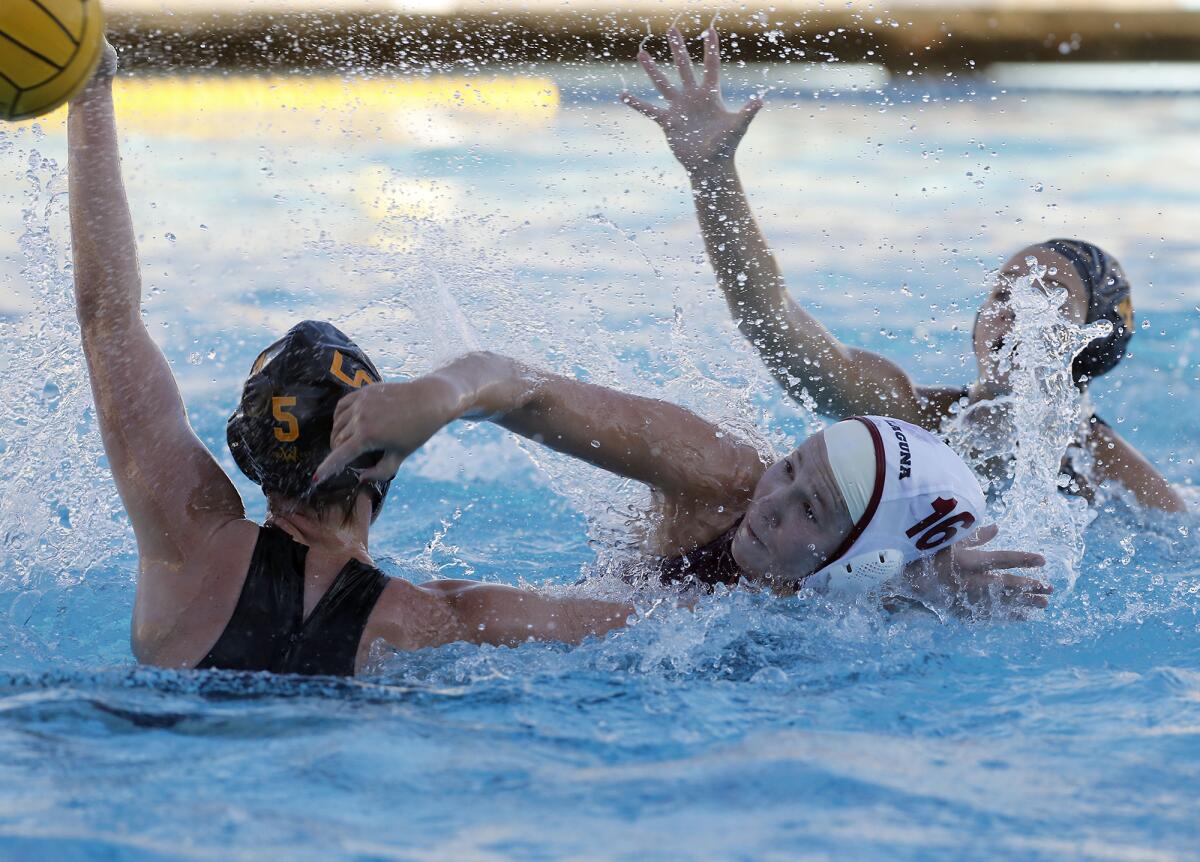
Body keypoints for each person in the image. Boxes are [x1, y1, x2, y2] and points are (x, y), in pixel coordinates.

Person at [67, 43, 1047, 678]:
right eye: (791, 469)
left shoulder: (182, 542)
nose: (771, 495)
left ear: (242, 451)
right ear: (386, 458)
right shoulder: (437, 622)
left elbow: (108, 318)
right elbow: (642, 640)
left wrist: (92, 82)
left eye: (808, 502)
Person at [622, 26, 1186, 514]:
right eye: (1001, 294)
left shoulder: (1120, 478)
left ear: (1093, 338)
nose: (1017, 309)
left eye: (1050, 294)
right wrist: (714, 177)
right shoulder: (912, 415)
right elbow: (771, 321)